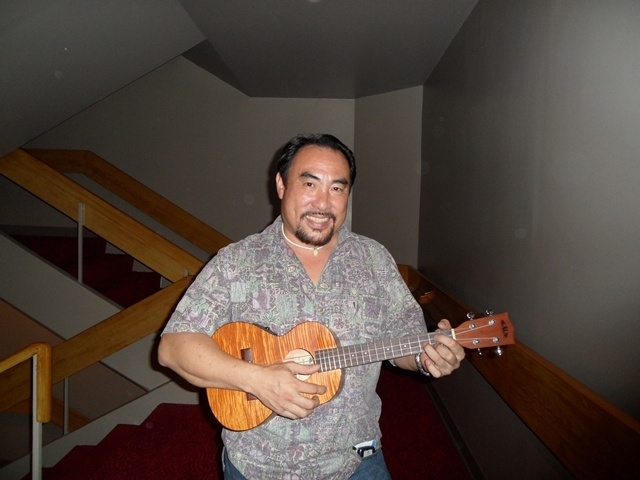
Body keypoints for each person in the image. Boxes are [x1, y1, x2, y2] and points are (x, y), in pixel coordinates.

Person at [158, 133, 465, 479]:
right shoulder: (237, 262)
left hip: (356, 460)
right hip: (260, 466)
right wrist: (258, 380)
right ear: (281, 185)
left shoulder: (374, 260)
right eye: (309, 184)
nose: (323, 203)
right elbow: (173, 348)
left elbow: (403, 337)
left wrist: (427, 357)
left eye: (337, 188)